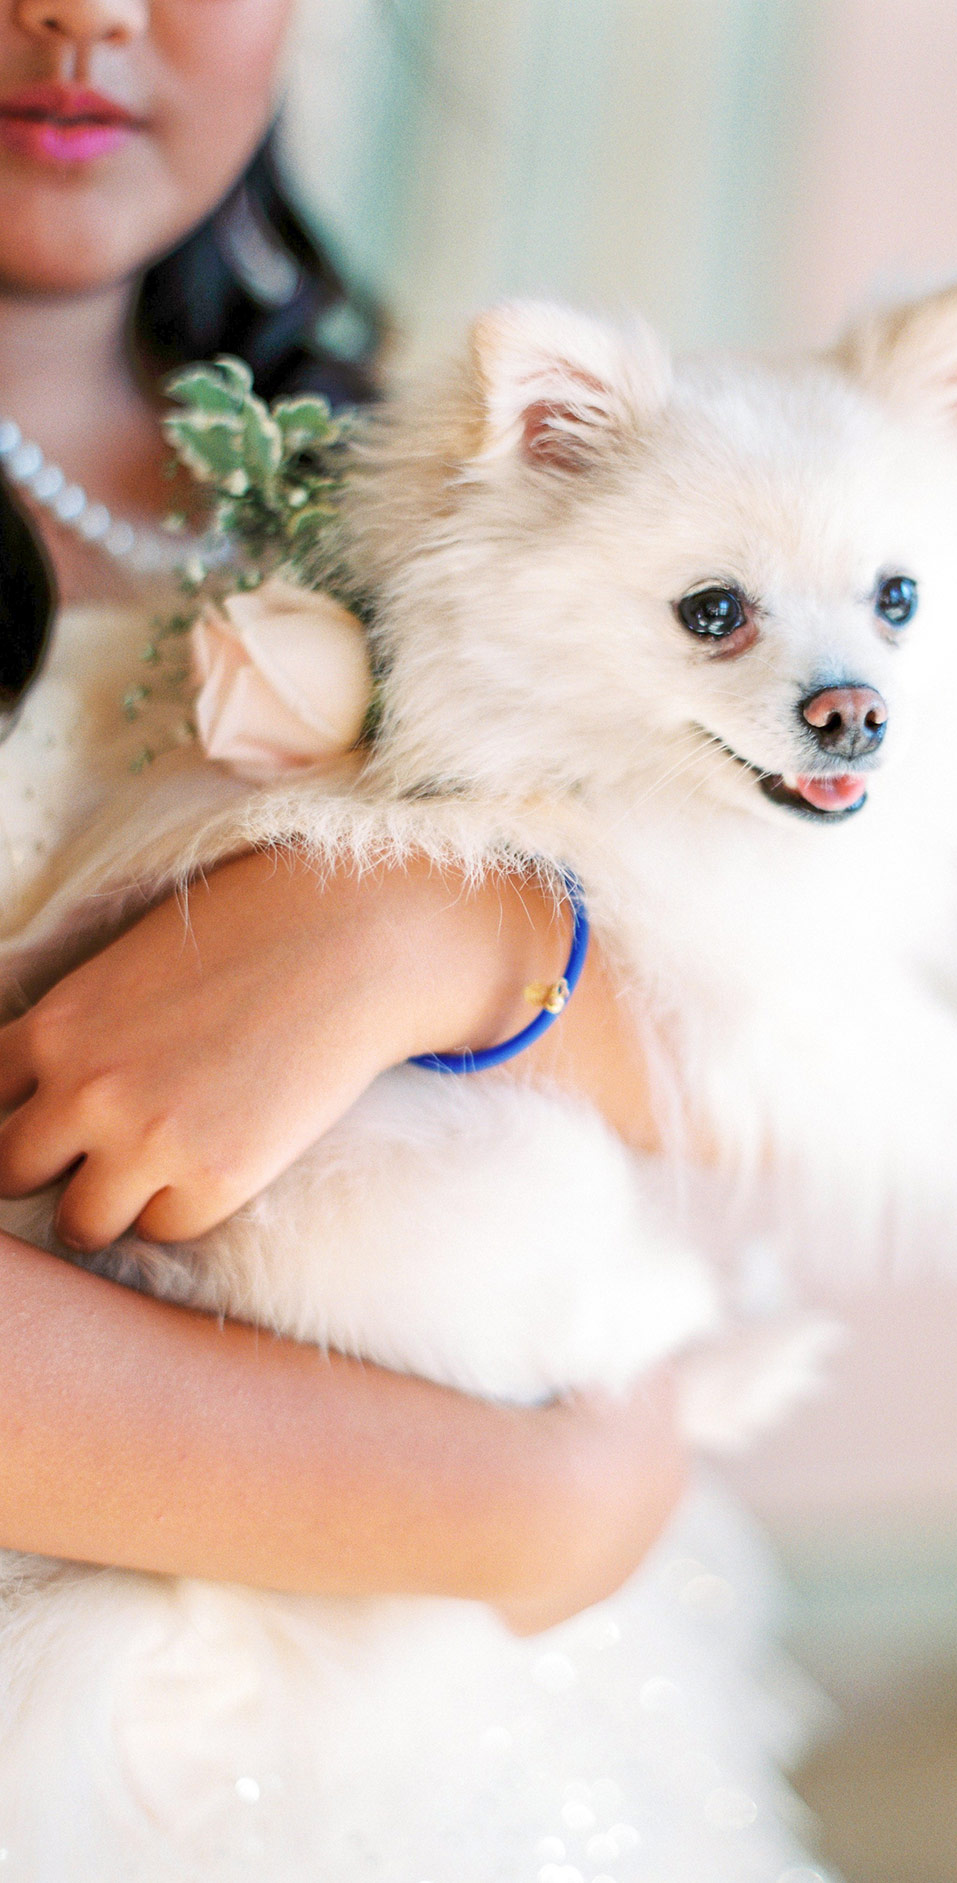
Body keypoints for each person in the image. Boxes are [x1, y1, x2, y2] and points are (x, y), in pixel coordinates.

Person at [0, 0, 685, 1635]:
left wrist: (437, 932)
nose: (82, 13)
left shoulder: (425, 472)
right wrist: (535, 1511)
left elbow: (731, 1062)